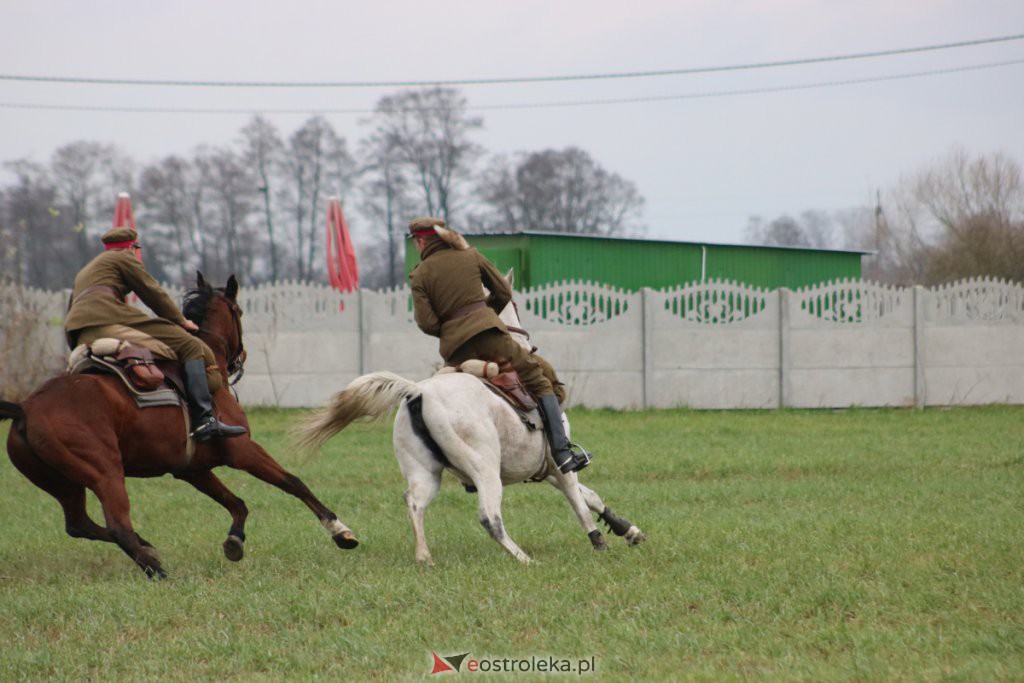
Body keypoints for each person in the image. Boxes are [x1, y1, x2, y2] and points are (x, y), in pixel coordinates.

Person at [407, 216, 589, 473]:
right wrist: (481, 317)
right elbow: (504, 292)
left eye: (416, 242)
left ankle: (464, 469)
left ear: (422, 240)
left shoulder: (419, 274)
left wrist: (452, 328)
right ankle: (562, 453)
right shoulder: (470, 256)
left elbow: (426, 323)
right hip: (490, 336)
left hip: (455, 350)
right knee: (537, 377)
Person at [64, 226, 246, 442]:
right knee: (191, 346)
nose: (136, 253)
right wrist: (180, 320)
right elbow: (151, 291)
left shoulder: (88, 269)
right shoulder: (123, 258)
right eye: (136, 248)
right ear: (131, 247)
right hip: (108, 319)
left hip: (78, 331)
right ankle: (204, 420)